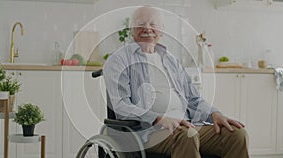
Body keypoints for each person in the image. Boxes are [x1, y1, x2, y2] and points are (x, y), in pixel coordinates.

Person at [103, 6, 249, 158]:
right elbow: (121, 106)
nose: (147, 28)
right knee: (188, 134)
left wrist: (214, 113)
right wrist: (158, 119)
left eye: (153, 24)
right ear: (132, 29)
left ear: (162, 30)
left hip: (186, 125)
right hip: (149, 133)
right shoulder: (119, 60)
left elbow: (193, 99)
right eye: (141, 24)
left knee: (236, 134)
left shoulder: (171, 60)